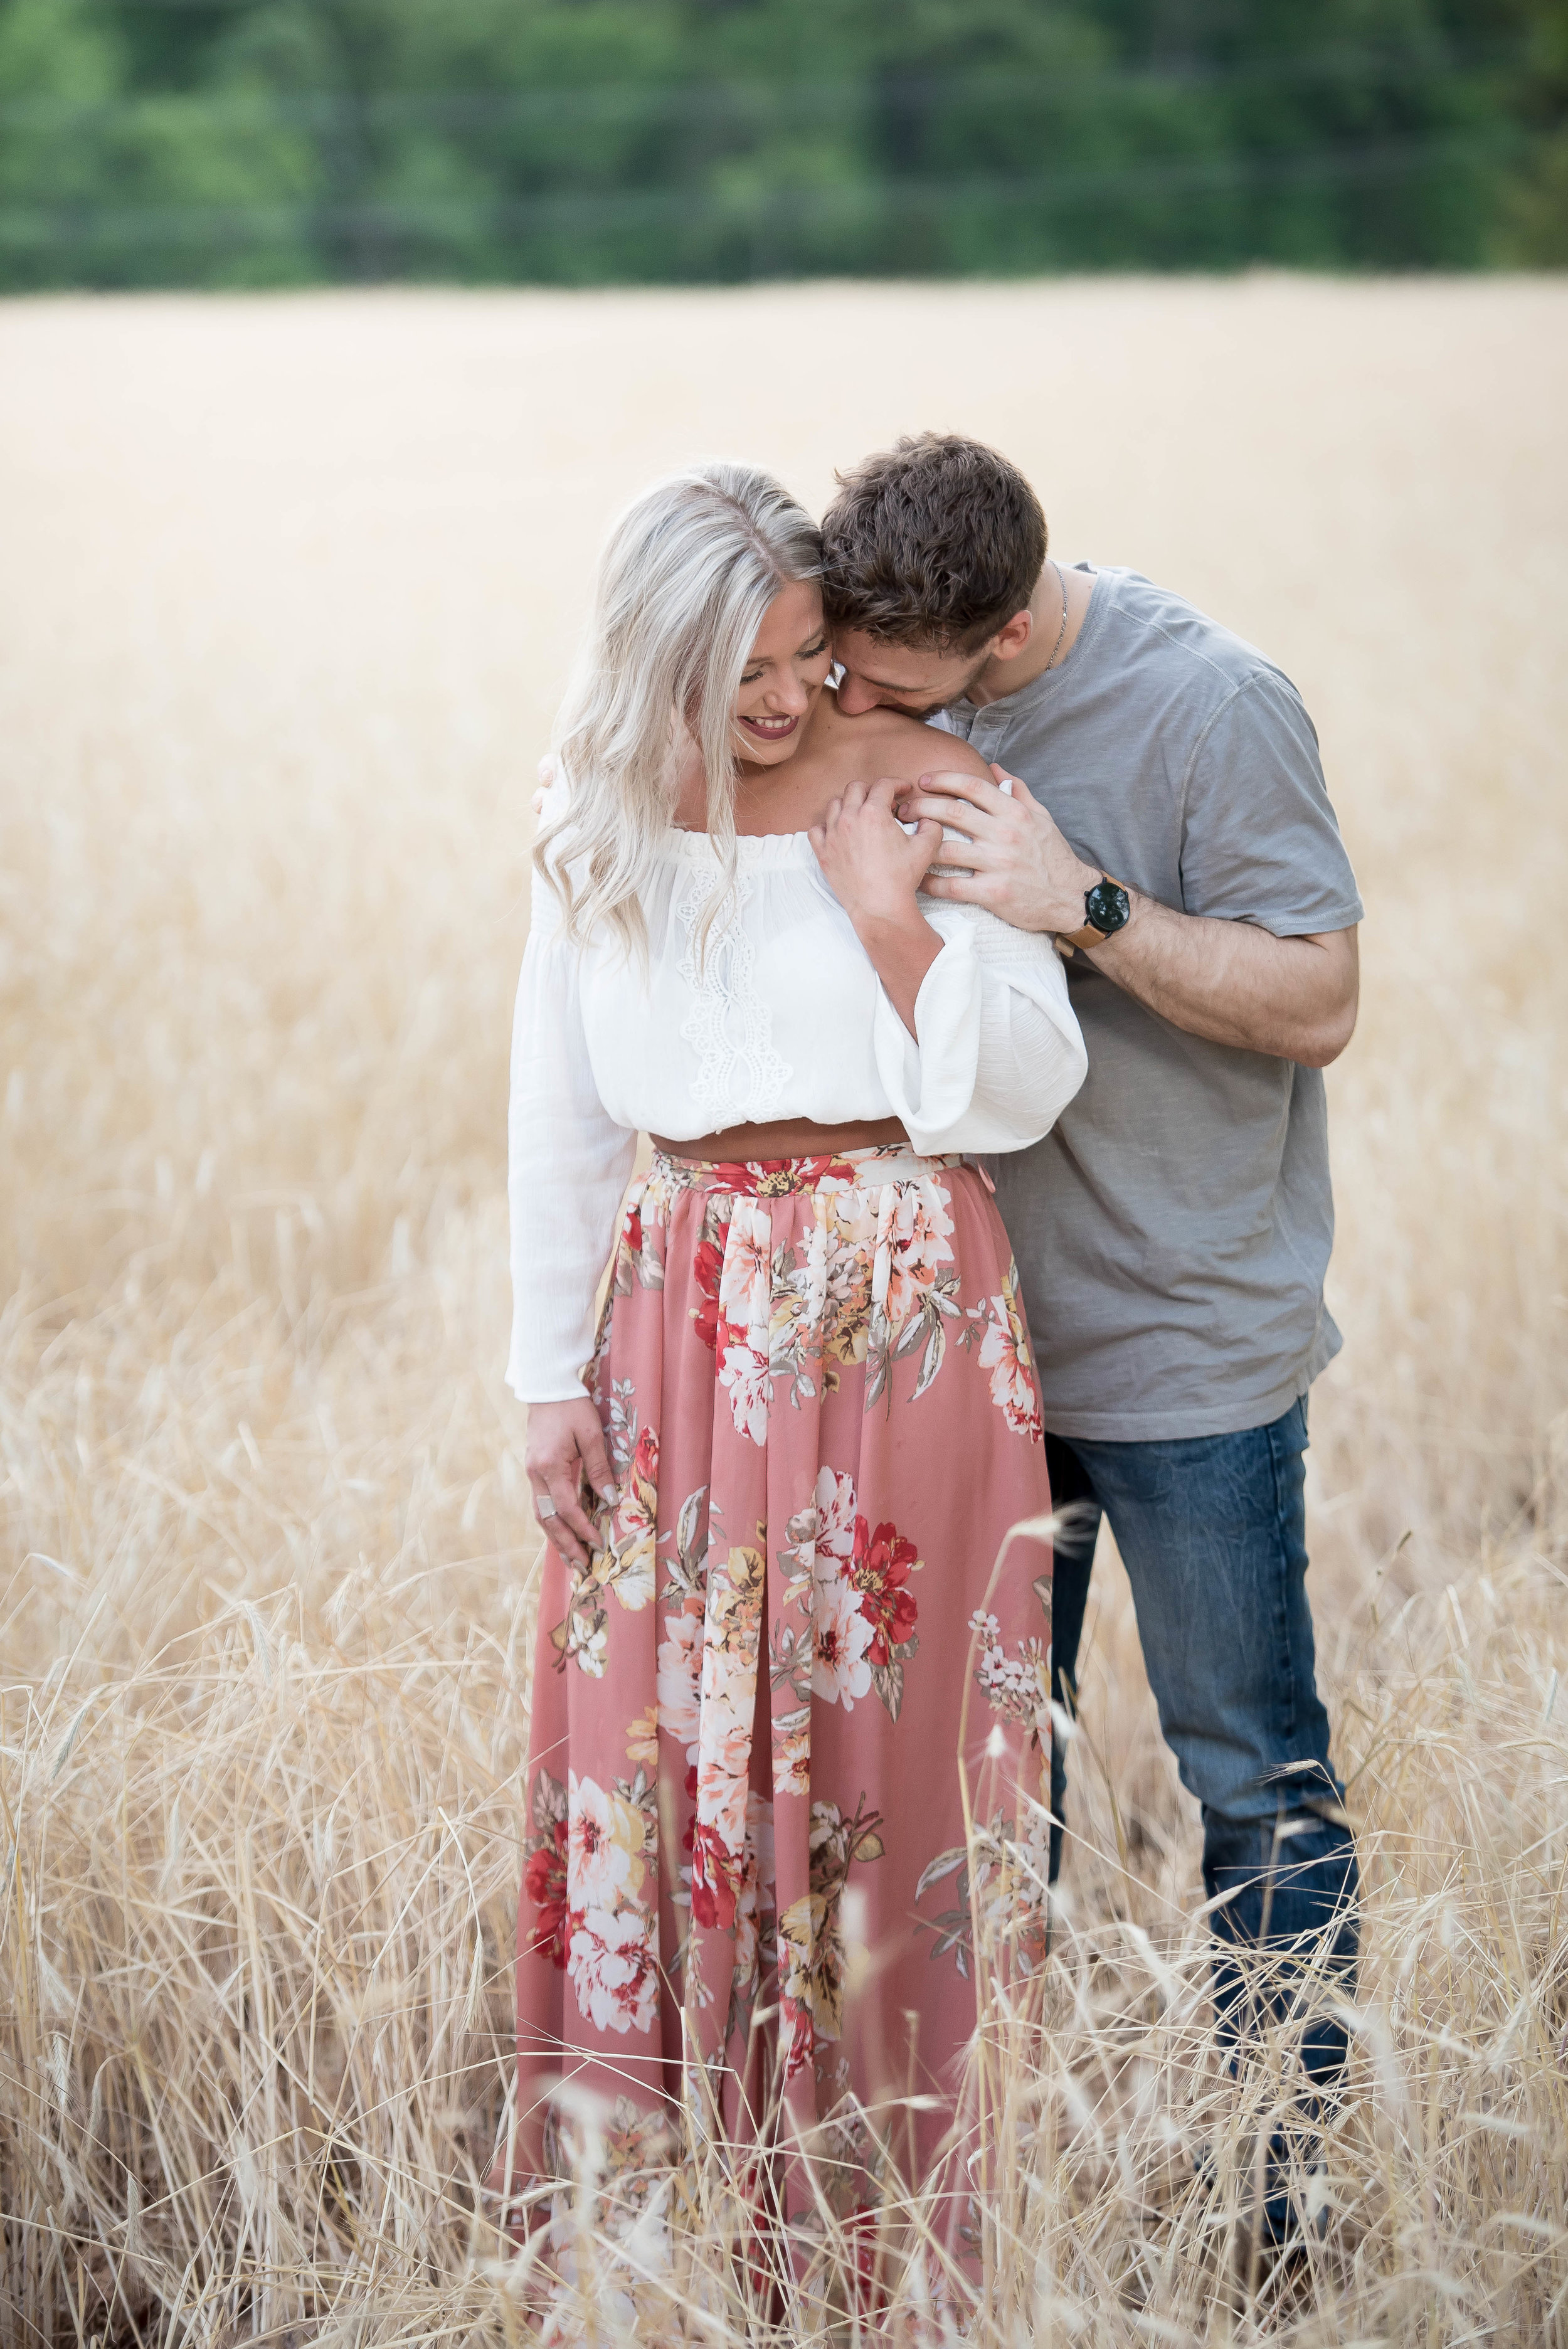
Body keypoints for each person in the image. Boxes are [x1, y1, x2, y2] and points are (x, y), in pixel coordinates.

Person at [499, 460, 1086, 2298]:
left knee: (894, 1761)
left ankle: (891, 2240)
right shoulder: (595, 814)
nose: (782, 696)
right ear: (652, 660)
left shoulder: (932, 784)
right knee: (652, 1759)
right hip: (674, 1329)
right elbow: (562, 1112)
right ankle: (655, 2241)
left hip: (904, 1311)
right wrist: (544, 1373)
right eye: (739, 665)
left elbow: (1025, 1081)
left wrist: (891, 912)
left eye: (806, 649)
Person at [819, 432, 1363, 2241]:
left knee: (1251, 1782)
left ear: (994, 634)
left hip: (1190, 1345)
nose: (848, 701)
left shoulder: (1210, 704)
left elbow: (1319, 997)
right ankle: (991, 2191)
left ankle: (1278, 2204)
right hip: (973, 1354)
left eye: (883, 682)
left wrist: (1086, 907)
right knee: (983, 1793)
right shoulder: (869, 685)